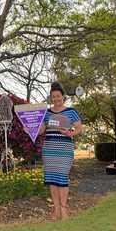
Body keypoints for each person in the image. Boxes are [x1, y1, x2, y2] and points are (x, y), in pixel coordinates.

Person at [39, 81, 83, 220]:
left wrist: (71, 133)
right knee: (52, 179)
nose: (56, 99)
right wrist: (30, 129)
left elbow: (79, 128)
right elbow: (41, 130)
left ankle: (64, 209)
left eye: (58, 96)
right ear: (51, 98)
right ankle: (56, 209)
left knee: (62, 177)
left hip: (64, 150)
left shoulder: (71, 111)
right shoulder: (47, 113)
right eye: (53, 97)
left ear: (62, 96)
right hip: (49, 150)